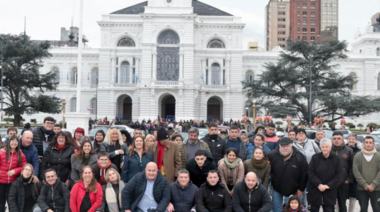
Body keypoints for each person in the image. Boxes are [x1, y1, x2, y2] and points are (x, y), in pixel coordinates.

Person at [267, 137, 308, 212]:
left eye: (287, 146)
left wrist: (301, 189)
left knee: (290, 208)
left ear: (291, 146)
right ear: (279, 146)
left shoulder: (300, 157)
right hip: (277, 187)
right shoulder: (272, 155)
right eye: (283, 146)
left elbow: (304, 174)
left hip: (293, 189)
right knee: (277, 208)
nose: (285, 148)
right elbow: (267, 170)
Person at [308, 138, 343, 212]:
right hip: (316, 189)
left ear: (330, 148)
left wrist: (328, 185)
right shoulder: (315, 157)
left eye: (327, 147)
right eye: (323, 147)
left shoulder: (336, 159)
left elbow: (339, 174)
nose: (325, 148)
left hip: (330, 190)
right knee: (314, 209)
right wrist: (318, 184)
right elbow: (310, 172)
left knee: (329, 209)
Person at [0, 135, 27, 212]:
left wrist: (15, 171)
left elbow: (24, 167)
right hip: (1, 181)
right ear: (9, 142)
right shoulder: (1, 153)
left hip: (12, 182)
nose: (14, 143)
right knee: (1, 202)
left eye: (16, 141)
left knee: (11, 202)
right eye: (12, 141)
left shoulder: (21, 155)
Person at [353, 136, 380, 212]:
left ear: (373, 144)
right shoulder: (358, 156)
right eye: (366, 142)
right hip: (362, 189)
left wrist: (373, 184)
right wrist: (364, 184)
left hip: (377, 189)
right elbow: (356, 171)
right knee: (363, 209)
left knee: (377, 209)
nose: (368, 144)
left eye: (370, 142)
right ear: (363, 144)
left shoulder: (378, 156)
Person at [331, 131, 354, 212]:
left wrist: (349, 179)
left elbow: (352, 166)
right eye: (334, 138)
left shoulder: (349, 150)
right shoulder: (328, 149)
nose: (336, 140)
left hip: (343, 182)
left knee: (342, 204)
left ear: (343, 140)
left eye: (339, 138)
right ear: (331, 140)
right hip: (330, 182)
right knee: (330, 204)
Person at [346, 134, 360, 212]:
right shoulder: (343, 149)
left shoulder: (359, 151)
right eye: (349, 139)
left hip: (354, 177)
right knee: (341, 197)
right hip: (344, 177)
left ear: (356, 140)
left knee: (353, 197)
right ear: (347, 139)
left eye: (353, 139)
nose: (351, 140)